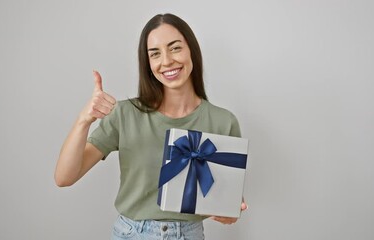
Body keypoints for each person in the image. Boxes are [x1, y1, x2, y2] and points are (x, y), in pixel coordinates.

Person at [55, 13, 248, 240]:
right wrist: (83, 120)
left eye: (175, 48)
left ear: (192, 51)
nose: (166, 61)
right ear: (147, 63)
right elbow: (64, 178)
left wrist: (229, 210)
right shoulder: (124, 114)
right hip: (131, 234)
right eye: (155, 53)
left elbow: (223, 200)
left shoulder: (224, 122)